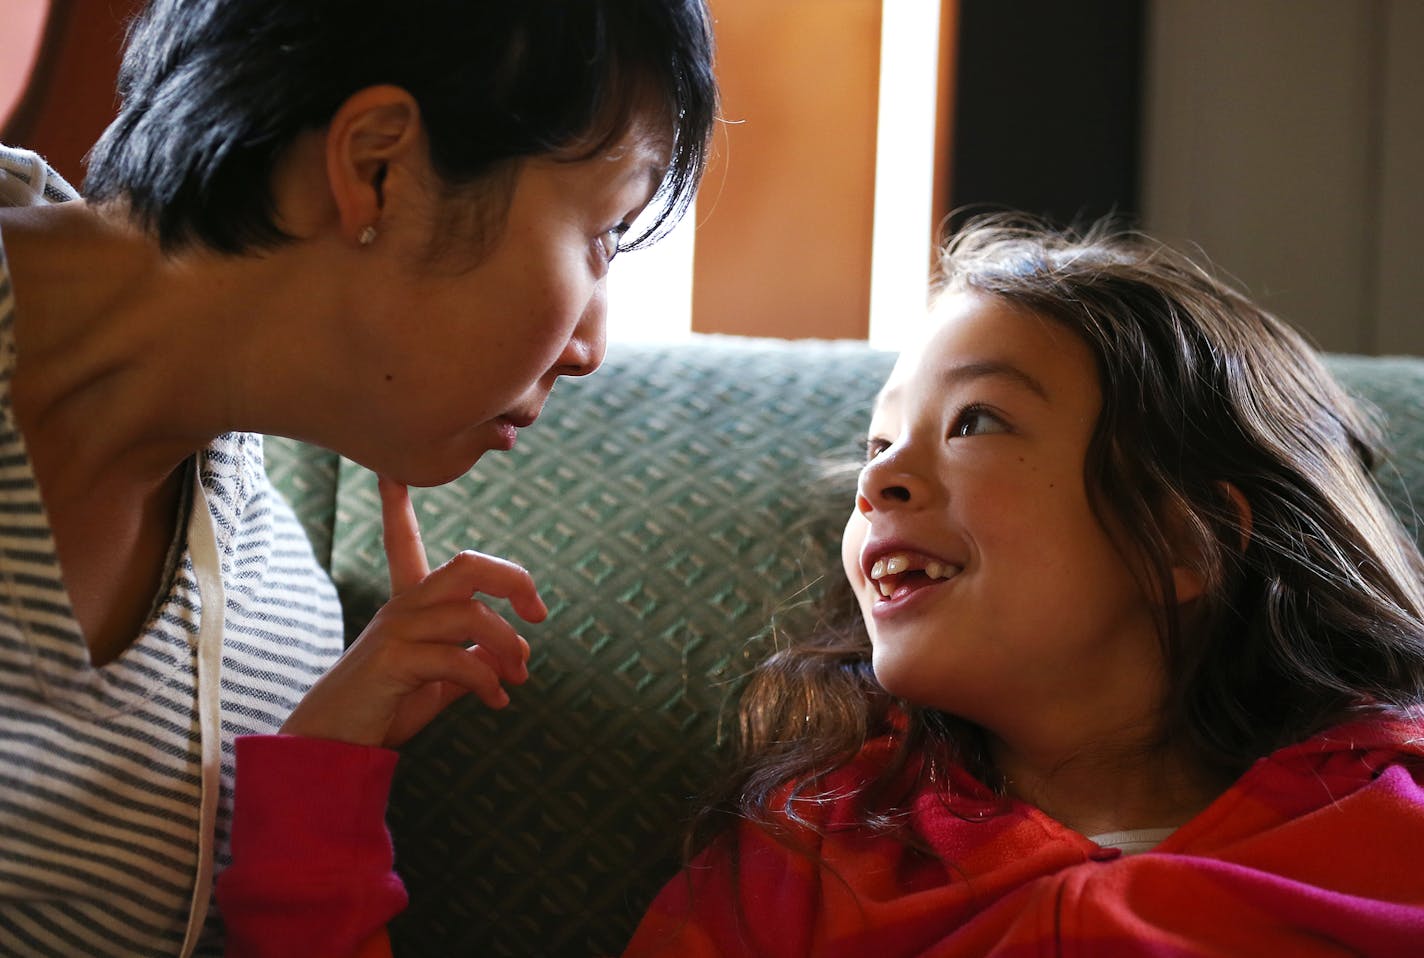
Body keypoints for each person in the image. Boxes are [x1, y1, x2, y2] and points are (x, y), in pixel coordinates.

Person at [0, 1, 716, 955]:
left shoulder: (277, 635)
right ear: (377, 168)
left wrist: (322, 779)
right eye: (604, 231)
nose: (591, 347)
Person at [620, 218, 1424, 954]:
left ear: (1187, 538)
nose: (878, 477)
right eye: (879, 440)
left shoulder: (1390, 836)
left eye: (976, 420)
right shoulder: (806, 855)